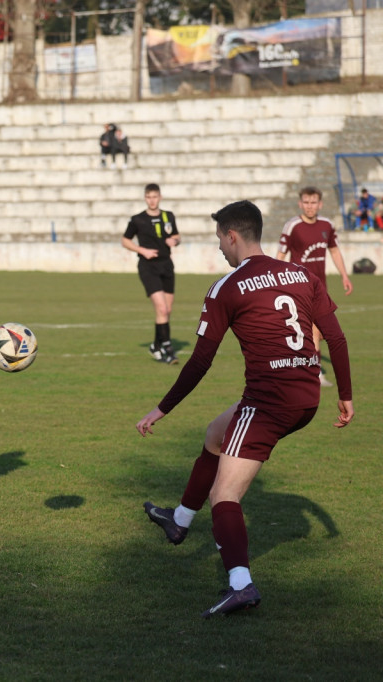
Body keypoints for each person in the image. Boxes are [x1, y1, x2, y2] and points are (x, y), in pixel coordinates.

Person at [136, 199, 353, 619]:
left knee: (225, 494)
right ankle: (179, 520)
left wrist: (162, 409)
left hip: (269, 401)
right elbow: (337, 340)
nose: (219, 246)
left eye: (219, 237)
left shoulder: (227, 287)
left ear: (232, 235)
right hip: (307, 394)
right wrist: (344, 395)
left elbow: (200, 361)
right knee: (216, 435)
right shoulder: (302, 274)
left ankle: (241, 585)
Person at [277, 186, 353, 386]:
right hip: (297, 288)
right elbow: (281, 255)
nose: (310, 206)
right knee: (304, 330)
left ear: (320, 204)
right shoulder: (292, 226)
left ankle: (311, 373)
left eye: (313, 202)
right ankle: (307, 372)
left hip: (320, 289)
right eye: (306, 202)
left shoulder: (327, 225)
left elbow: (335, 251)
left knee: (315, 331)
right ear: (300, 203)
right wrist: (276, 281)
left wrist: (344, 275)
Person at [122, 183, 181, 364]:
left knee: (166, 310)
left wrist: (175, 241)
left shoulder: (168, 216)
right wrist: (142, 251)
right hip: (148, 267)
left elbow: (177, 236)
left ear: (160, 197)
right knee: (162, 308)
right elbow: (125, 240)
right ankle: (168, 349)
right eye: (149, 197)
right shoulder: (137, 219)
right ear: (145, 198)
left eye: (155, 196)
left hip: (166, 265)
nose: (152, 200)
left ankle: (156, 345)